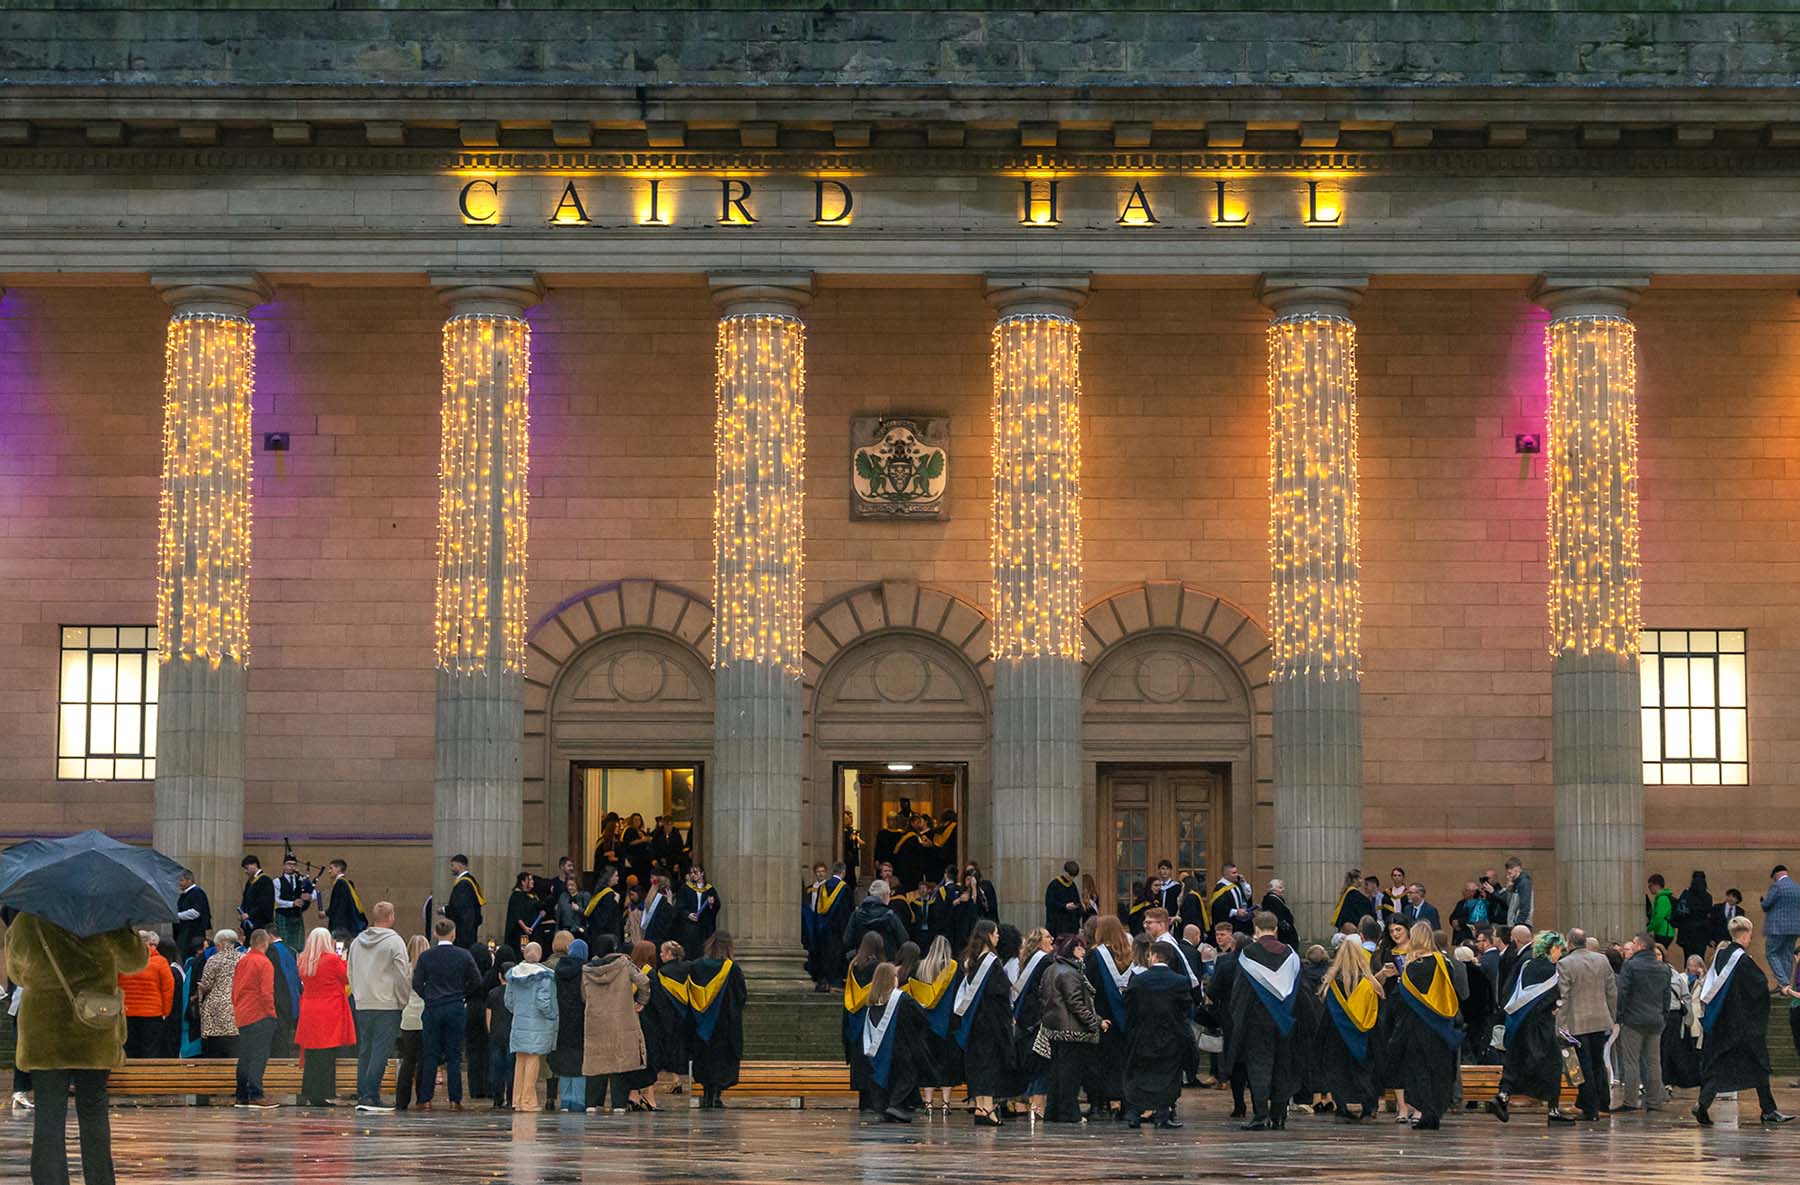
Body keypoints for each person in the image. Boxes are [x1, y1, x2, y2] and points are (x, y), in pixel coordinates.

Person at [10, 913, 145, 1185]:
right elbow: (135, 962)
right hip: (94, 1027)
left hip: (44, 1030)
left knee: (48, 1114)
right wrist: (128, 929)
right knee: (94, 1110)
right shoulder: (106, 915)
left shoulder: (29, 917)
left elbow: (16, 972)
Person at [1691, 914, 1792, 1125]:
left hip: (1721, 1023)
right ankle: (1768, 1110)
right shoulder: (1742, 960)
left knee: (1717, 1066)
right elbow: (1758, 986)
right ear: (1745, 935)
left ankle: (1703, 1104)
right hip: (1743, 1025)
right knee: (1759, 1064)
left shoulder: (1721, 956)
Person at [1224, 910, 1302, 1131]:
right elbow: (1300, 992)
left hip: (1256, 1021)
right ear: (1276, 929)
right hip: (1285, 1020)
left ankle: (1260, 1116)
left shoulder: (1248, 954)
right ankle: (1279, 1116)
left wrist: (1236, 1021)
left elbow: (1239, 993)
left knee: (1259, 1067)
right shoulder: (1291, 955)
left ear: (1256, 930)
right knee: (1282, 1066)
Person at [1488, 930, 1574, 1124]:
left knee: (1516, 1060)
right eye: (1559, 949)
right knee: (1552, 1064)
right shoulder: (1553, 971)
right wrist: (1556, 1006)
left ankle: (1502, 1096)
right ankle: (1553, 1110)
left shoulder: (1526, 965)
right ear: (1552, 948)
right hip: (1541, 1025)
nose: (1560, 953)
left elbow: (1509, 990)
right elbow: (1554, 998)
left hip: (1518, 1021)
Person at [1386, 922, 1464, 1130]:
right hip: (1440, 1026)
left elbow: (1401, 998)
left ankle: (1426, 1111)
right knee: (1437, 1070)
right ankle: (1435, 1112)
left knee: (1418, 1069)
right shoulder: (1444, 962)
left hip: (1416, 1026)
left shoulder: (1413, 965)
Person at [1123, 939, 1198, 1129]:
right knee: (1169, 1075)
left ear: (1153, 956)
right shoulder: (1180, 981)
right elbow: (1186, 1008)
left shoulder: (1139, 980)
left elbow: (1129, 1006)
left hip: (1143, 1035)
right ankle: (1163, 1116)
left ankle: (1134, 1114)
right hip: (1171, 1035)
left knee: (1140, 1073)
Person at [344, 900, 409, 1112]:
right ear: (391, 917)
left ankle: (363, 1093)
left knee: (365, 1050)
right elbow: (402, 974)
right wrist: (402, 999)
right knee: (381, 1050)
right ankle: (371, 1095)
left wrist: (359, 994)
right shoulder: (395, 942)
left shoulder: (356, 942)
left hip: (363, 1002)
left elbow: (350, 971)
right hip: (387, 1003)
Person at [411, 916, 481, 1110]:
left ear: (435, 934)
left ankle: (425, 1099)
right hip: (455, 1006)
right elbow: (476, 981)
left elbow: (417, 983)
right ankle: (454, 1099)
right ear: (453, 934)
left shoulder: (426, 956)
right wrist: (462, 996)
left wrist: (429, 996)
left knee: (430, 1054)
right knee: (454, 1055)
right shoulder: (464, 955)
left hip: (433, 1007)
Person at [577, 934, 651, 1113]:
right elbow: (644, 981)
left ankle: (592, 1103)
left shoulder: (587, 969)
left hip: (596, 1019)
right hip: (621, 1017)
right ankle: (618, 1103)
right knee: (620, 1060)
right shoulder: (624, 964)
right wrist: (641, 1001)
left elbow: (584, 995)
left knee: (596, 1060)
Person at [951, 919, 1012, 1127]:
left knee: (977, 1064)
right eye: (995, 933)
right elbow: (1000, 994)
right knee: (988, 1065)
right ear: (987, 935)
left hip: (973, 1022)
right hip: (990, 1023)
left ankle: (981, 1106)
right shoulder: (991, 962)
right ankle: (986, 1108)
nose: (998, 936)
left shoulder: (969, 959)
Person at [852, 961, 930, 1123]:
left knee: (885, 1077)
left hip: (879, 1051)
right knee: (907, 1076)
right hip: (900, 1048)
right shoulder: (900, 998)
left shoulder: (872, 1002)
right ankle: (895, 1105)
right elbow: (921, 1016)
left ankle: (885, 1107)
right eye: (895, 976)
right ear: (890, 978)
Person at [1316, 939, 1384, 1122]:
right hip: (1364, 1033)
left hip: (1336, 1034)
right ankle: (1369, 1109)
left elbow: (1326, 1012)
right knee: (1365, 1070)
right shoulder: (1369, 982)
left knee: (1338, 1070)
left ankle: (1342, 1108)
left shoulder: (1331, 983)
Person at [1039, 932, 1104, 1123]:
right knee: (1070, 1074)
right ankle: (1069, 1112)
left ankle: (1053, 1111)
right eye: (1080, 947)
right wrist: (1094, 1023)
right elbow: (1076, 1003)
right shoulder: (1070, 972)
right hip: (1071, 1030)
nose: (1083, 950)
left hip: (1054, 1026)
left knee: (1056, 1072)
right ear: (1073, 949)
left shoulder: (1052, 969)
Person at [1556, 926, 1616, 1119]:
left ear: (1570, 943)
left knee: (1583, 1065)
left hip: (1577, 1021)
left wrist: (1560, 1025)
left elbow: (1563, 997)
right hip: (1601, 1019)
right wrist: (1611, 1016)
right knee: (1599, 1062)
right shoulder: (1602, 959)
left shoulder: (1565, 964)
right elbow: (1611, 991)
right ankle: (1603, 1104)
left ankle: (1589, 1108)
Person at [294, 927, 355, 1107]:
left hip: (309, 1008)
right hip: (329, 1010)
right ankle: (323, 1093)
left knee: (312, 1053)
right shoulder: (332, 960)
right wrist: (343, 959)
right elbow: (346, 978)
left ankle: (309, 1091)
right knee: (326, 1054)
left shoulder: (303, 960)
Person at [686, 931, 747, 1108]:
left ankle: (707, 1093)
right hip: (724, 1024)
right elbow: (741, 996)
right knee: (721, 1059)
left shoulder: (696, 966)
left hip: (700, 1024)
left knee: (704, 1058)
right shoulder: (731, 968)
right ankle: (716, 1095)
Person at [1615, 930, 1672, 1113]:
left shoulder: (1630, 966)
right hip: (1655, 1020)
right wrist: (1663, 1016)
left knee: (1631, 1062)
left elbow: (1623, 992)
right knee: (1654, 1062)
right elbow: (1666, 996)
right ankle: (1655, 1101)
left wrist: (1620, 1016)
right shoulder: (1663, 968)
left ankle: (1630, 1101)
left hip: (1633, 1020)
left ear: (1639, 945)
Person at [904, 935, 961, 1115]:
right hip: (947, 1024)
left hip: (925, 1024)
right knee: (947, 1065)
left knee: (928, 1064)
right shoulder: (953, 968)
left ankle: (928, 1103)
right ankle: (945, 1104)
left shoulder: (919, 967)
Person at [1083, 915, 1133, 1119]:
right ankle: (1124, 1104)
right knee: (1121, 1061)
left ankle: (1098, 1104)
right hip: (1125, 1018)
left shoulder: (1094, 955)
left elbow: (1087, 986)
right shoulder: (1130, 955)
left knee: (1097, 1061)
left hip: (1101, 1016)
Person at [504, 942, 558, 1112]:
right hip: (538, 1024)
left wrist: (519, 1011)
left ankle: (517, 1099)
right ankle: (528, 1100)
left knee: (520, 1060)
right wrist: (552, 1015)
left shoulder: (513, 975)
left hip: (519, 1022)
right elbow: (543, 1002)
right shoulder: (544, 976)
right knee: (533, 1060)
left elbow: (508, 1001)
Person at [1007, 925, 1054, 1118]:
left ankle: (1031, 1104)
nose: (1051, 939)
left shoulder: (1027, 961)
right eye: (1047, 936)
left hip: (1026, 1018)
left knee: (1031, 1061)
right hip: (1037, 1019)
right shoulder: (1044, 961)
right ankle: (1037, 1105)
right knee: (1040, 1061)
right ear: (1038, 941)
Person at [232, 929, 280, 1109]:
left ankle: (241, 1095)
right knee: (259, 1056)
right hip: (260, 1014)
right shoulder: (264, 963)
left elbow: (235, 989)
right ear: (265, 943)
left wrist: (237, 1007)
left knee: (244, 1056)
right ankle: (256, 1094)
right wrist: (272, 1013)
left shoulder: (242, 961)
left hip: (243, 1014)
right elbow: (267, 993)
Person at [550, 937, 591, 1111]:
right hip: (581, 1019)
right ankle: (579, 1100)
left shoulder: (558, 969)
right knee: (580, 1061)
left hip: (562, 1019)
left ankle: (566, 1100)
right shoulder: (586, 971)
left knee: (564, 1061)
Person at [118, 931, 172, 1059]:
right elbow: (168, 989)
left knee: (129, 1050)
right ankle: (148, 1077)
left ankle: (130, 1078)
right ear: (149, 943)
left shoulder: (123, 961)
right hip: (153, 1014)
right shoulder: (160, 961)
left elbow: (116, 985)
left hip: (127, 1013)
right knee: (150, 1051)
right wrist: (165, 1012)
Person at [193, 929, 242, 1058]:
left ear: (221, 943)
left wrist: (201, 989)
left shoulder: (214, 960)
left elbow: (207, 984)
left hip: (216, 1009)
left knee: (215, 1049)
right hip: (239, 1006)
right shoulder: (243, 958)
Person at [393, 935, 429, 1111]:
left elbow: (400, 991)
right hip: (425, 1017)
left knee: (408, 1061)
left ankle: (402, 1100)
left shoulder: (406, 969)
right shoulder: (430, 969)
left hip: (408, 1017)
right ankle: (422, 1099)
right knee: (424, 1060)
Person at [844, 879, 909, 962]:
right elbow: (904, 939)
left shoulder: (856, 915)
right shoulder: (890, 916)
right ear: (885, 895)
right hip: (886, 965)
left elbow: (847, 941)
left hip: (862, 963)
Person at [1761, 865, 1800, 991]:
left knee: (1771, 953)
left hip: (1777, 928)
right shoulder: (1797, 887)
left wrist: (1762, 901)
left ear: (1776, 875)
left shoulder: (1777, 886)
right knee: (1787, 955)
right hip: (1794, 928)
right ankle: (1786, 985)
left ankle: (1784, 983)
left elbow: (1766, 905)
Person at [485, 956, 516, 1109]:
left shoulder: (493, 993)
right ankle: (511, 1099)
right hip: (512, 1034)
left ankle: (497, 1099)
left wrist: (490, 1032)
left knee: (497, 1067)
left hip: (496, 1034)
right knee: (511, 1068)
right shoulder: (516, 994)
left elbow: (488, 1017)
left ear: (499, 976)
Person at [677, 865, 721, 959]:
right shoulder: (685, 888)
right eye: (691, 873)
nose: (693, 875)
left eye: (695, 872)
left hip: (705, 925)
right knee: (690, 950)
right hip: (690, 925)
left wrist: (711, 904)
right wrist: (688, 914)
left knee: (705, 949)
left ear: (702, 874)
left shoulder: (709, 889)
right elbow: (680, 906)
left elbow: (717, 905)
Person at [272, 853, 314, 950]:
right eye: (288, 864)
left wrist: (309, 897)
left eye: (294, 864)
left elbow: (314, 892)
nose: (291, 866)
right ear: (284, 865)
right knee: (283, 944)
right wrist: (292, 903)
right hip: (283, 916)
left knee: (298, 946)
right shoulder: (277, 881)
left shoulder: (301, 880)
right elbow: (276, 900)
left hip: (297, 916)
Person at [316, 859, 366, 937]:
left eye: (331, 868)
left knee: (339, 947)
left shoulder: (341, 883)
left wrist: (325, 913)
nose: (329, 871)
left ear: (338, 869)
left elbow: (339, 905)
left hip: (341, 927)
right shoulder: (347, 883)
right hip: (346, 926)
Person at [1673, 870, 1714, 965]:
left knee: (1688, 959)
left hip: (1687, 930)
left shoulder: (1687, 894)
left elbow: (1680, 911)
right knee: (1700, 959)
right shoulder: (1708, 896)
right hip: (1702, 932)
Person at [445, 855, 485, 949]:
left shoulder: (464, 883)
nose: (452, 868)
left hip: (463, 930)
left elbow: (460, 907)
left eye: (453, 865)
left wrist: (445, 909)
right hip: (469, 927)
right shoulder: (470, 880)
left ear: (460, 865)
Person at [583, 866, 625, 951]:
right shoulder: (608, 895)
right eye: (616, 876)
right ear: (609, 877)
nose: (618, 878)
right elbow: (609, 918)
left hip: (597, 936)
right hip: (608, 938)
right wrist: (615, 903)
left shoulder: (598, 893)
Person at [173, 870, 212, 957]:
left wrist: (177, 916)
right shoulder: (185, 894)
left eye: (181, 880)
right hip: (184, 932)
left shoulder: (197, 893)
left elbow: (196, 912)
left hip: (192, 933)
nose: (179, 883)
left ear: (189, 880)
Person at [1209, 864, 1253, 935]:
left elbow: (1247, 896)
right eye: (1234, 873)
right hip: (1229, 923)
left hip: (1240, 923)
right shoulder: (1220, 888)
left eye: (1236, 872)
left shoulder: (1236, 884)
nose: (1237, 875)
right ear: (1226, 875)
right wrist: (1236, 912)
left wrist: (1244, 883)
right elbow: (1219, 908)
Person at [238, 855, 275, 938]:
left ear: (254, 865)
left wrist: (250, 915)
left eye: (247, 868)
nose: (245, 871)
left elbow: (265, 904)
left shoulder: (265, 880)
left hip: (260, 923)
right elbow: (245, 900)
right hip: (248, 923)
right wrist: (243, 912)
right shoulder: (250, 882)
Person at [1045, 861, 1084, 937]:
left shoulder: (1072, 885)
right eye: (1070, 875)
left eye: (1074, 876)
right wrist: (1064, 906)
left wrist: (1078, 906)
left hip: (1071, 926)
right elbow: (1050, 903)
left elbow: (1077, 901)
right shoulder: (1054, 885)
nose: (1071, 878)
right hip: (1057, 925)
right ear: (1065, 871)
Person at [505, 872, 543, 951]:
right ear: (523, 882)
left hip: (532, 930)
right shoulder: (517, 895)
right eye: (529, 879)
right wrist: (524, 927)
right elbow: (517, 914)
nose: (532, 881)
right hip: (521, 932)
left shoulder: (531, 895)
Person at [1260, 880, 1298, 948]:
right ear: (1272, 889)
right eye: (1280, 888)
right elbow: (1279, 917)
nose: (1283, 890)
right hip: (1282, 936)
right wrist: (1288, 930)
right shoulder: (1272, 900)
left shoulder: (1276, 899)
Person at [1501, 857, 1533, 929]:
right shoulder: (1516, 883)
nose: (1509, 873)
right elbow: (1510, 903)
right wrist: (1509, 890)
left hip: (1521, 923)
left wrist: (1518, 924)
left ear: (1518, 868)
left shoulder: (1524, 882)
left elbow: (1525, 906)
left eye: (1511, 869)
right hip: (1516, 922)